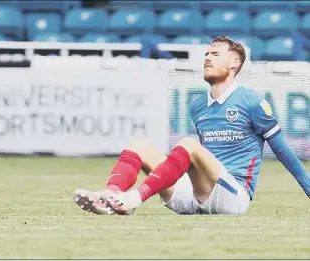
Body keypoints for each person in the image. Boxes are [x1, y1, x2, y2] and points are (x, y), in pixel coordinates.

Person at [73, 36, 310, 215]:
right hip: (197, 194)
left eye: (215, 54)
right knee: (139, 145)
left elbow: (283, 151)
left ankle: (132, 199)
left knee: (189, 145)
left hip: (233, 196)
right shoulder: (198, 106)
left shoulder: (253, 102)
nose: (207, 57)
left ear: (235, 62)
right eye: (206, 53)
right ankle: (111, 195)